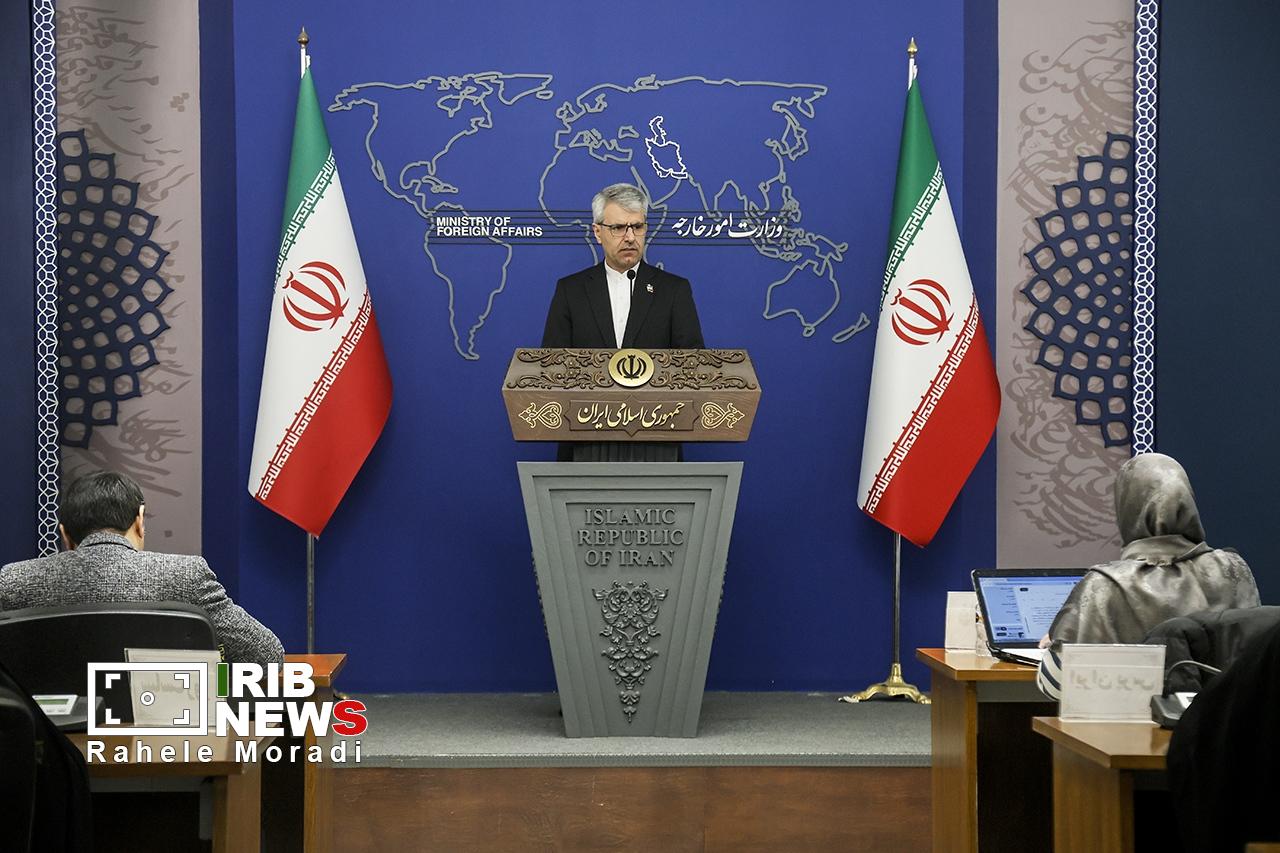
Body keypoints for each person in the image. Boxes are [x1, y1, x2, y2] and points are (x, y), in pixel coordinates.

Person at [0, 471, 284, 665]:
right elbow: (265, 655)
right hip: (163, 732)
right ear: (139, 520)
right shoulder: (185, 575)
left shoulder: (13, 581)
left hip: (49, 736)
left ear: (64, 534)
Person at [1036, 453, 1260, 699]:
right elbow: (1258, 664)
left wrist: (1056, 644)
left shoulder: (1104, 585)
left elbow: (1058, 687)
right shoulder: (1234, 570)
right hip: (1223, 721)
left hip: (1133, 722)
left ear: (1126, 508)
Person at [541, 182, 704, 350]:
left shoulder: (674, 290)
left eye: (637, 227)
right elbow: (552, 361)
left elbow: (692, 361)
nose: (630, 238)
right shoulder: (570, 291)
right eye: (618, 228)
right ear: (598, 233)